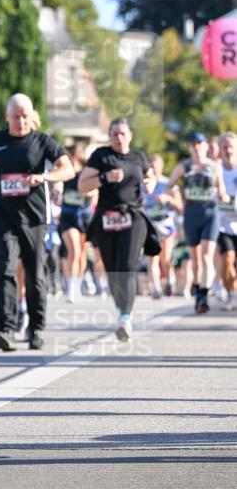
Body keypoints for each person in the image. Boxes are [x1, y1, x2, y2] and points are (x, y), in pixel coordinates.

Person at [0, 93, 73, 351]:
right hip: (4, 216)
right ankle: (6, 329)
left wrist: (45, 178)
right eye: (16, 117)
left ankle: (36, 328)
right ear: (7, 117)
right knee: (6, 271)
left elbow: (68, 168)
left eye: (25, 116)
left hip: (35, 218)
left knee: (35, 274)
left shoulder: (42, 141)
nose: (21, 121)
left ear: (32, 116)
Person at [78, 117, 157, 341]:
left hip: (133, 217)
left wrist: (149, 182)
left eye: (122, 133)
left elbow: (150, 176)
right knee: (113, 270)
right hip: (106, 218)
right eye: (114, 134)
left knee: (127, 265)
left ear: (130, 135)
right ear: (109, 137)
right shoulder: (101, 156)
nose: (118, 138)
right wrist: (104, 177)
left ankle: (125, 317)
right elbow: (83, 186)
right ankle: (122, 308)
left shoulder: (138, 157)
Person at [163, 132, 228, 313]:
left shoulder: (214, 166)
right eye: (193, 144)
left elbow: (221, 188)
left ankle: (203, 296)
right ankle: (199, 290)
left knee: (207, 255)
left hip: (210, 212)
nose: (197, 147)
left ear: (206, 146)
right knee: (196, 259)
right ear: (190, 147)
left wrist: (222, 195)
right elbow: (170, 185)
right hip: (191, 213)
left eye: (200, 143)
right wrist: (174, 196)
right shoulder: (184, 166)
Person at [58, 144, 95, 303]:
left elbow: (95, 191)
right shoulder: (64, 174)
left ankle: (78, 284)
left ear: (74, 156)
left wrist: (86, 192)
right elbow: (56, 188)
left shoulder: (85, 173)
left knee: (81, 254)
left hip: (84, 216)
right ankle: (70, 288)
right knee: (72, 249)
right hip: (67, 216)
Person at [144, 153, 180, 299]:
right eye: (150, 165)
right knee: (153, 258)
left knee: (165, 258)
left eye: (155, 164)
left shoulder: (168, 184)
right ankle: (157, 288)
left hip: (166, 226)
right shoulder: (143, 185)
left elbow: (180, 205)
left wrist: (168, 199)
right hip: (150, 226)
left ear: (161, 166)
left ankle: (170, 281)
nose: (153, 167)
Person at [217, 132, 237, 310]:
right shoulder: (216, 171)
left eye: (231, 147)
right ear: (220, 150)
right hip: (222, 225)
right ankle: (231, 294)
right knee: (227, 259)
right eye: (225, 147)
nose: (228, 150)